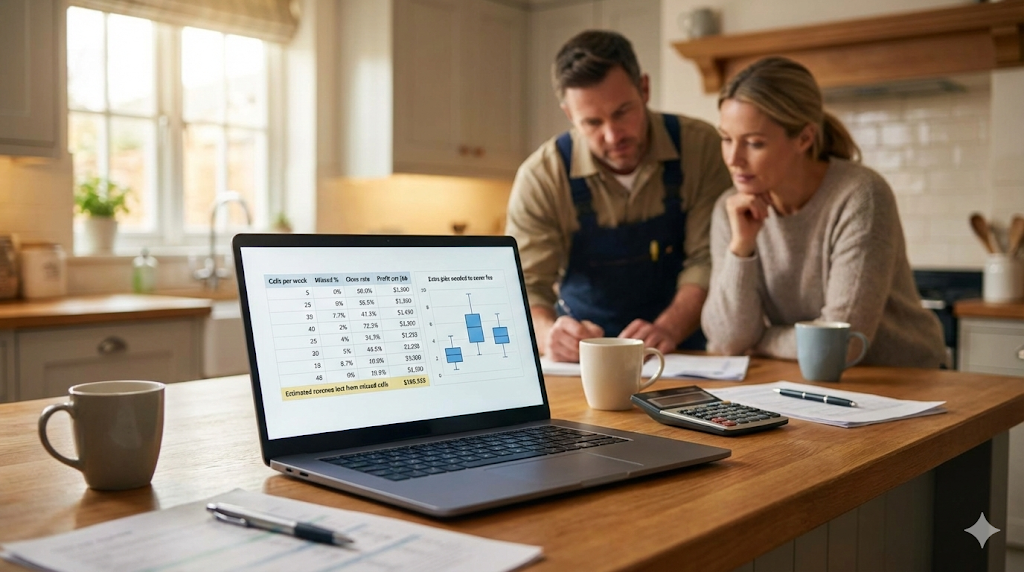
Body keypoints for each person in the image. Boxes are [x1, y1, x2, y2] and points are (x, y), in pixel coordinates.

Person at [701, 57, 946, 368]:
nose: (734, 159)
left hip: (904, 379)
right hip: (809, 380)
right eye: (726, 139)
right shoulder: (732, 210)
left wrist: (761, 340)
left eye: (754, 143)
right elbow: (727, 341)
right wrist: (741, 248)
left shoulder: (860, 195)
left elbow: (843, 342)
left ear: (804, 138)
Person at [506, 30, 732, 363]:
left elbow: (707, 259)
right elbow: (525, 284)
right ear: (569, 114)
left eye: (622, 112)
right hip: (583, 362)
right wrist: (547, 335)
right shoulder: (541, 177)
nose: (612, 135)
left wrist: (668, 328)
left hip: (679, 352)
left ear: (644, 88)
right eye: (592, 122)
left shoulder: (701, 149)